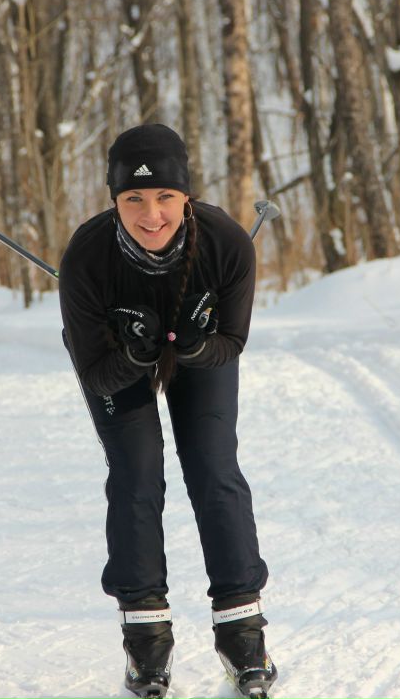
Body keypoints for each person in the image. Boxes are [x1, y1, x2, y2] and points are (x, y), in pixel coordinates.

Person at [58, 124, 277, 698]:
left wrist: (198, 348)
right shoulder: (87, 257)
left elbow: (232, 340)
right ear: (114, 201)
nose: (150, 214)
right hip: (116, 361)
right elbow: (96, 372)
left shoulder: (228, 244)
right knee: (136, 474)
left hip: (199, 356)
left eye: (164, 198)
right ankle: (146, 642)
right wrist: (133, 350)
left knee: (213, 469)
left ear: (186, 196)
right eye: (133, 198)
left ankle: (243, 637)